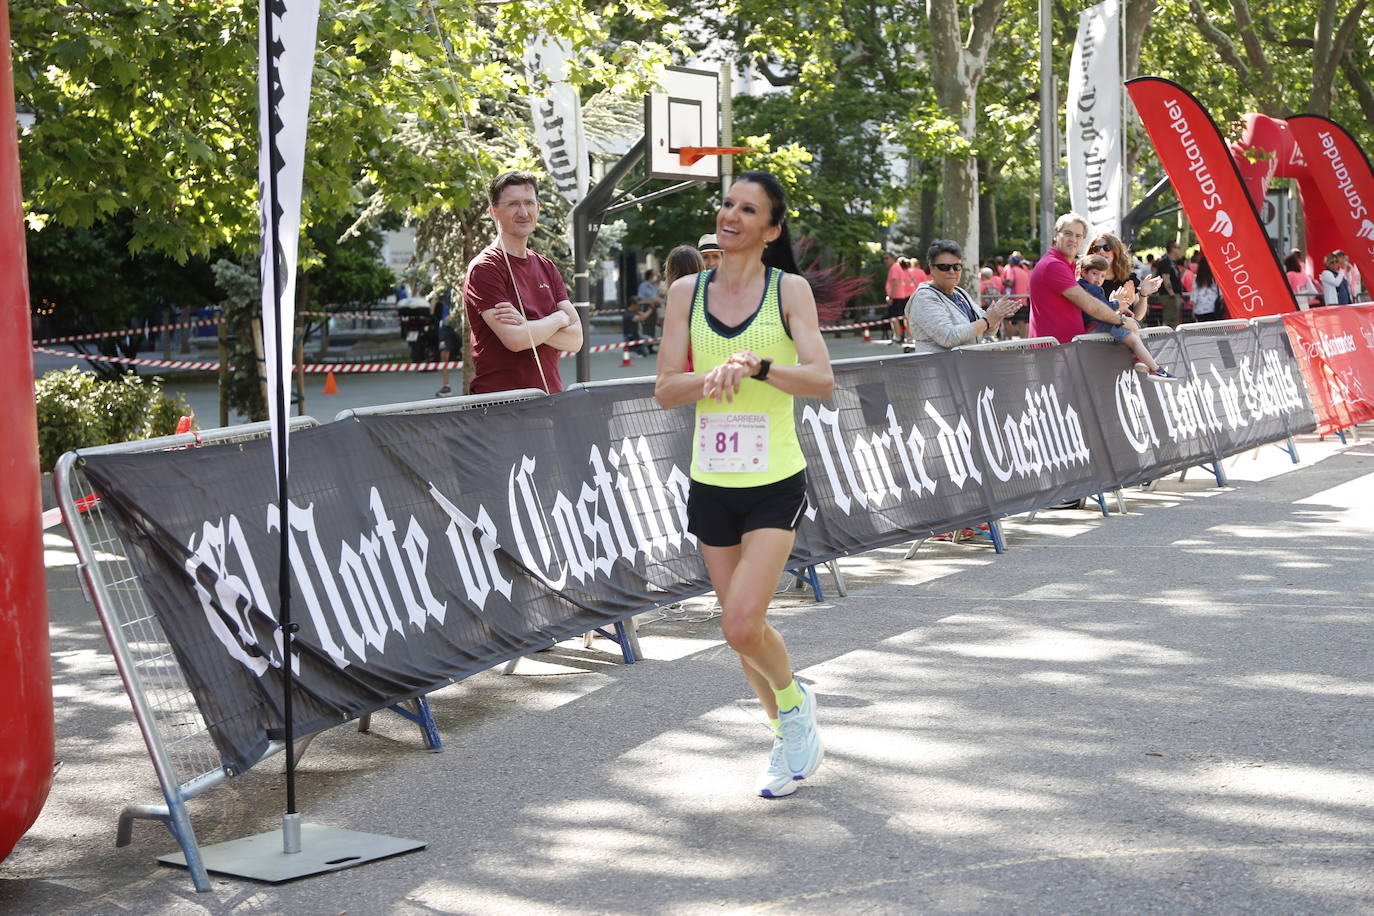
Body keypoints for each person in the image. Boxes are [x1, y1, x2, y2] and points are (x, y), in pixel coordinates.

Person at [655, 170, 833, 799]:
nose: (730, 215)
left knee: (738, 624)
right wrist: (709, 379)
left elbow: (821, 380)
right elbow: (665, 389)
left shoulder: (790, 291)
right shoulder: (685, 292)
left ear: (770, 229)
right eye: (727, 203)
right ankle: (788, 733)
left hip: (775, 479)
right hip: (712, 480)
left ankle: (792, 706)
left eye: (747, 208)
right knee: (742, 633)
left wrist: (757, 365)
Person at [463, 171, 583, 395]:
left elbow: (576, 340)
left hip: (549, 398)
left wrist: (528, 326)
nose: (523, 212)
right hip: (503, 405)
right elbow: (516, 340)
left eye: (529, 203)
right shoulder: (485, 267)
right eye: (513, 204)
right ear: (493, 212)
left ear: (538, 208)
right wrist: (558, 319)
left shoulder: (547, 267)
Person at [1029, 212, 1142, 344]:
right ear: (1055, 234)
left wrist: (1121, 304)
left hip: (1066, 348)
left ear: (1083, 240)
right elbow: (1090, 305)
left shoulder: (1069, 266)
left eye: (1078, 236)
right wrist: (1121, 320)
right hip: (1053, 351)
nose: (1073, 239)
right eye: (1067, 233)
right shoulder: (1053, 265)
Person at [905, 240, 1018, 354]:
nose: (951, 271)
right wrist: (987, 321)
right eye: (944, 267)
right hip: (939, 369)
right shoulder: (924, 297)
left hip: (967, 366)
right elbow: (948, 337)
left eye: (957, 266)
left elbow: (987, 332)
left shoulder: (960, 292)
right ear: (931, 268)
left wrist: (996, 316)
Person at [1078, 253, 1177, 380]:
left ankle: (1144, 360)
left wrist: (1120, 306)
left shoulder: (1082, 286)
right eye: (1095, 273)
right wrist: (1118, 303)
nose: (1099, 279)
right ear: (1084, 272)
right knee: (1133, 335)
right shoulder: (1092, 289)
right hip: (1098, 326)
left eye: (1102, 275)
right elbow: (1102, 308)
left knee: (1132, 327)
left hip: (1096, 325)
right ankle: (1155, 368)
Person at [1085, 231, 1163, 322]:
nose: (1101, 251)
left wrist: (1143, 294)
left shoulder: (1127, 278)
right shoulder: (1086, 278)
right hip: (1096, 333)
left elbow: (1137, 316)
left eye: (1107, 247)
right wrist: (1115, 304)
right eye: (1096, 249)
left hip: (1125, 331)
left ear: (1116, 251)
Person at [627, 268, 661, 356]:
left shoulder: (654, 286)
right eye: (654, 275)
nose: (656, 277)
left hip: (654, 307)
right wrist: (652, 299)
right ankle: (646, 345)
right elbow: (640, 298)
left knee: (653, 327)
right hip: (646, 307)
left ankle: (651, 346)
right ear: (650, 276)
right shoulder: (643, 285)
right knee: (646, 327)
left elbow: (657, 295)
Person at [883, 251, 915, 343]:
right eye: (884, 258)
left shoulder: (894, 267)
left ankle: (898, 336)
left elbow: (895, 282)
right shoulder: (897, 267)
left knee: (894, 317)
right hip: (901, 295)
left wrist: (890, 296)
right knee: (902, 317)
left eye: (887, 258)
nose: (885, 260)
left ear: (892, 258)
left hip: (896, 296)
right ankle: (905, 336)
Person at [432, 289, 459, 397]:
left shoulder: (460, 281)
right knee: (444, 355)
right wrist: (435, 297)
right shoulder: (442, 287)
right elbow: (432, 309)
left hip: (461, 324)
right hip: (446, 326)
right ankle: (446, 386)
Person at [1152, 241, 1184, 327]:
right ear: (1173, 249)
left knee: (1175, 319)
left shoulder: (1173, 263)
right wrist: (1171, 293)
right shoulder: (1166, 262)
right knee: (1170, 320)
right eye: (1178, 247)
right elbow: (1166, 278)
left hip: (1174, 295)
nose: (1180, 250)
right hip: (1169, 296)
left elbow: (1177, 277)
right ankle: (1169, 338)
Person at [1190, 257, 1223, 322]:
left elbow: (1194, 298)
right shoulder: (1215, 279)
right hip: (1213, 310)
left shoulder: (1197, 281)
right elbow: (1221, 295)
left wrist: (1193, 311)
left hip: (1199, 311)